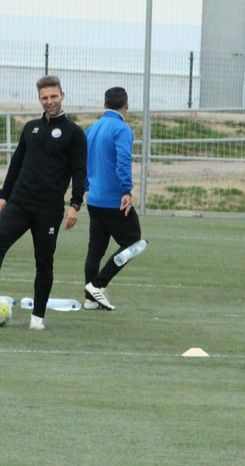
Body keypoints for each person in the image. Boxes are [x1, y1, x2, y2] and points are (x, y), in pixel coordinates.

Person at [0, 75, 86, 331]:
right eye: (44, 98)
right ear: (39, 99)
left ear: (62, 96)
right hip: (19, 203)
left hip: (48, 209)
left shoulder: (74, 134)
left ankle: (37, 319)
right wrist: (4, 195)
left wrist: (76, 204)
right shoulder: (30, 128)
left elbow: (79, 171)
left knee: (44, 261)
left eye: (53, 96)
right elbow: (16, 164)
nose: (49, 102)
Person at [83, 86, 147, 311]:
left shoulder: (91, 129)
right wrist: (126, 191)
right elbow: (123, 160)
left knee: (96, 249)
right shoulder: (121, 129)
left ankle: (90, 299)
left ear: (104, 104)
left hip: (94, 199)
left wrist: (84, 188)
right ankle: (98, 285)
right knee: (135, 242)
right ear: (126, 104)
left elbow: (83, 162)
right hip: (114, 199)